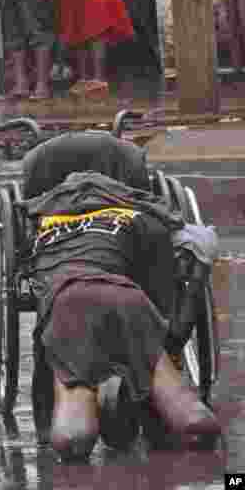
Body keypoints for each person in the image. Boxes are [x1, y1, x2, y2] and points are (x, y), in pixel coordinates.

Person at [20, 135, 221, 460]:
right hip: (129, 301)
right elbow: (163, 299)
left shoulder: (43, 221)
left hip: (67, 304)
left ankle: (83, 412)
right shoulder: (142, 219)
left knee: (73, 438)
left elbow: (27, 276)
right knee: (191, 418)